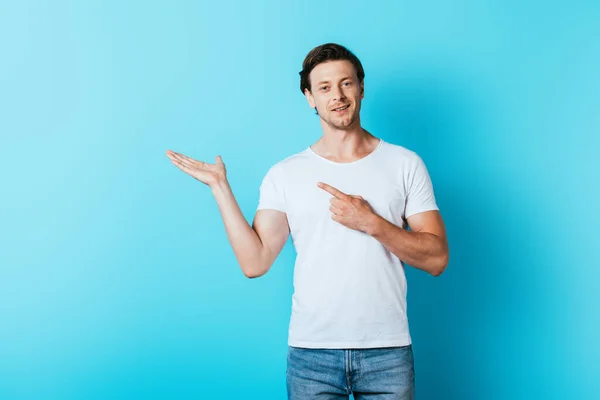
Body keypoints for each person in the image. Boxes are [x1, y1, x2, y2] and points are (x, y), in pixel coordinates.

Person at [166, 43, 449, 399]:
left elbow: (437, 258)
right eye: (325, 87)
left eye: (346, 83)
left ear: (361, 88)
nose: (338, 96)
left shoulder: (405, 164)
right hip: (312, 356)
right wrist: (220, 188)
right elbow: (255, 262)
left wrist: (371, 222)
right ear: (310, 98)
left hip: (387, 353)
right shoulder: (286, 174)